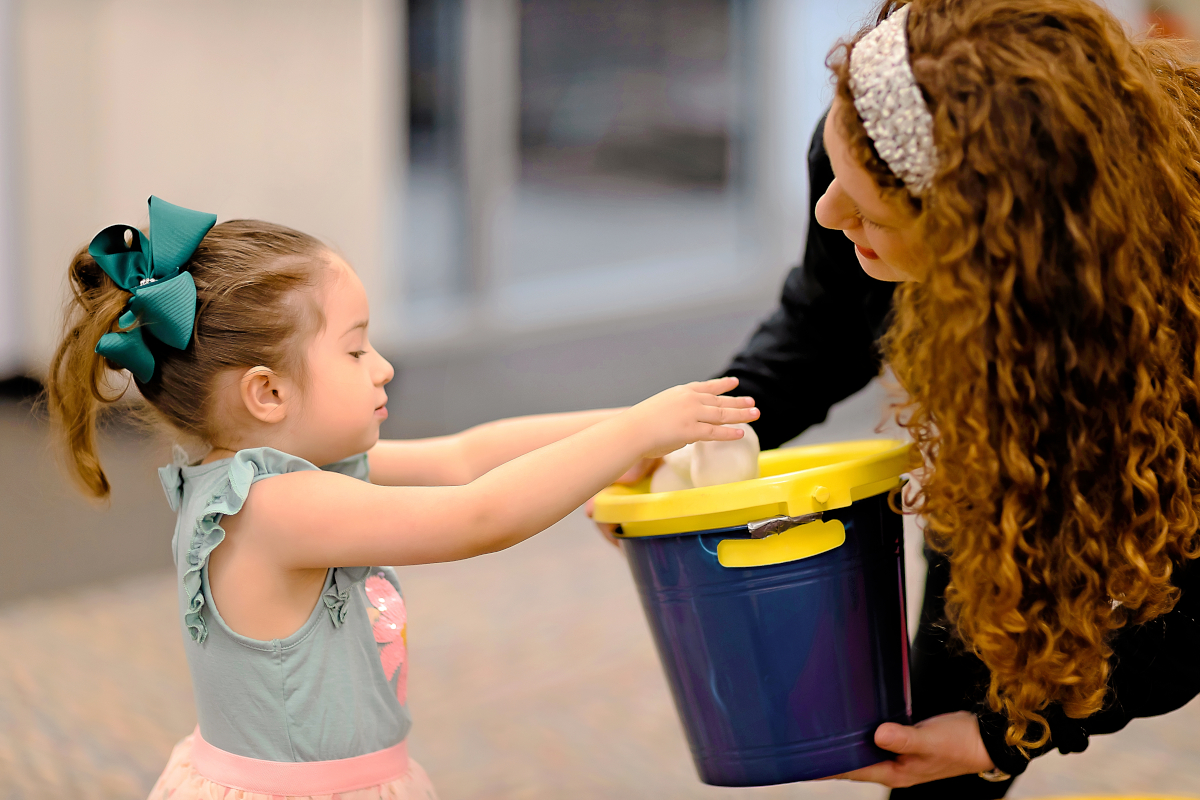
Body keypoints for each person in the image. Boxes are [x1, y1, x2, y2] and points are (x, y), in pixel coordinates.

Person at [605, 0, 1200, 795]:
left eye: (867, 213)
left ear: (987, 242)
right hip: (996, 453)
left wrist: (1011, 734)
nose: (826, 213)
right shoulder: (879, 125)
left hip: (1133, 423)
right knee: (928, 760)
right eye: (833, 172)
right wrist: (699, 443)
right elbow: (822, 329)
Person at [45, 196, 759, 799]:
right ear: (267, 392)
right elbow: (477, 515)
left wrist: (631, 428)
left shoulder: (281, 477)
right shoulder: (275, 508)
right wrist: (636, 431)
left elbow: (464, 457)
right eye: (355, 351)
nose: (382, 368)